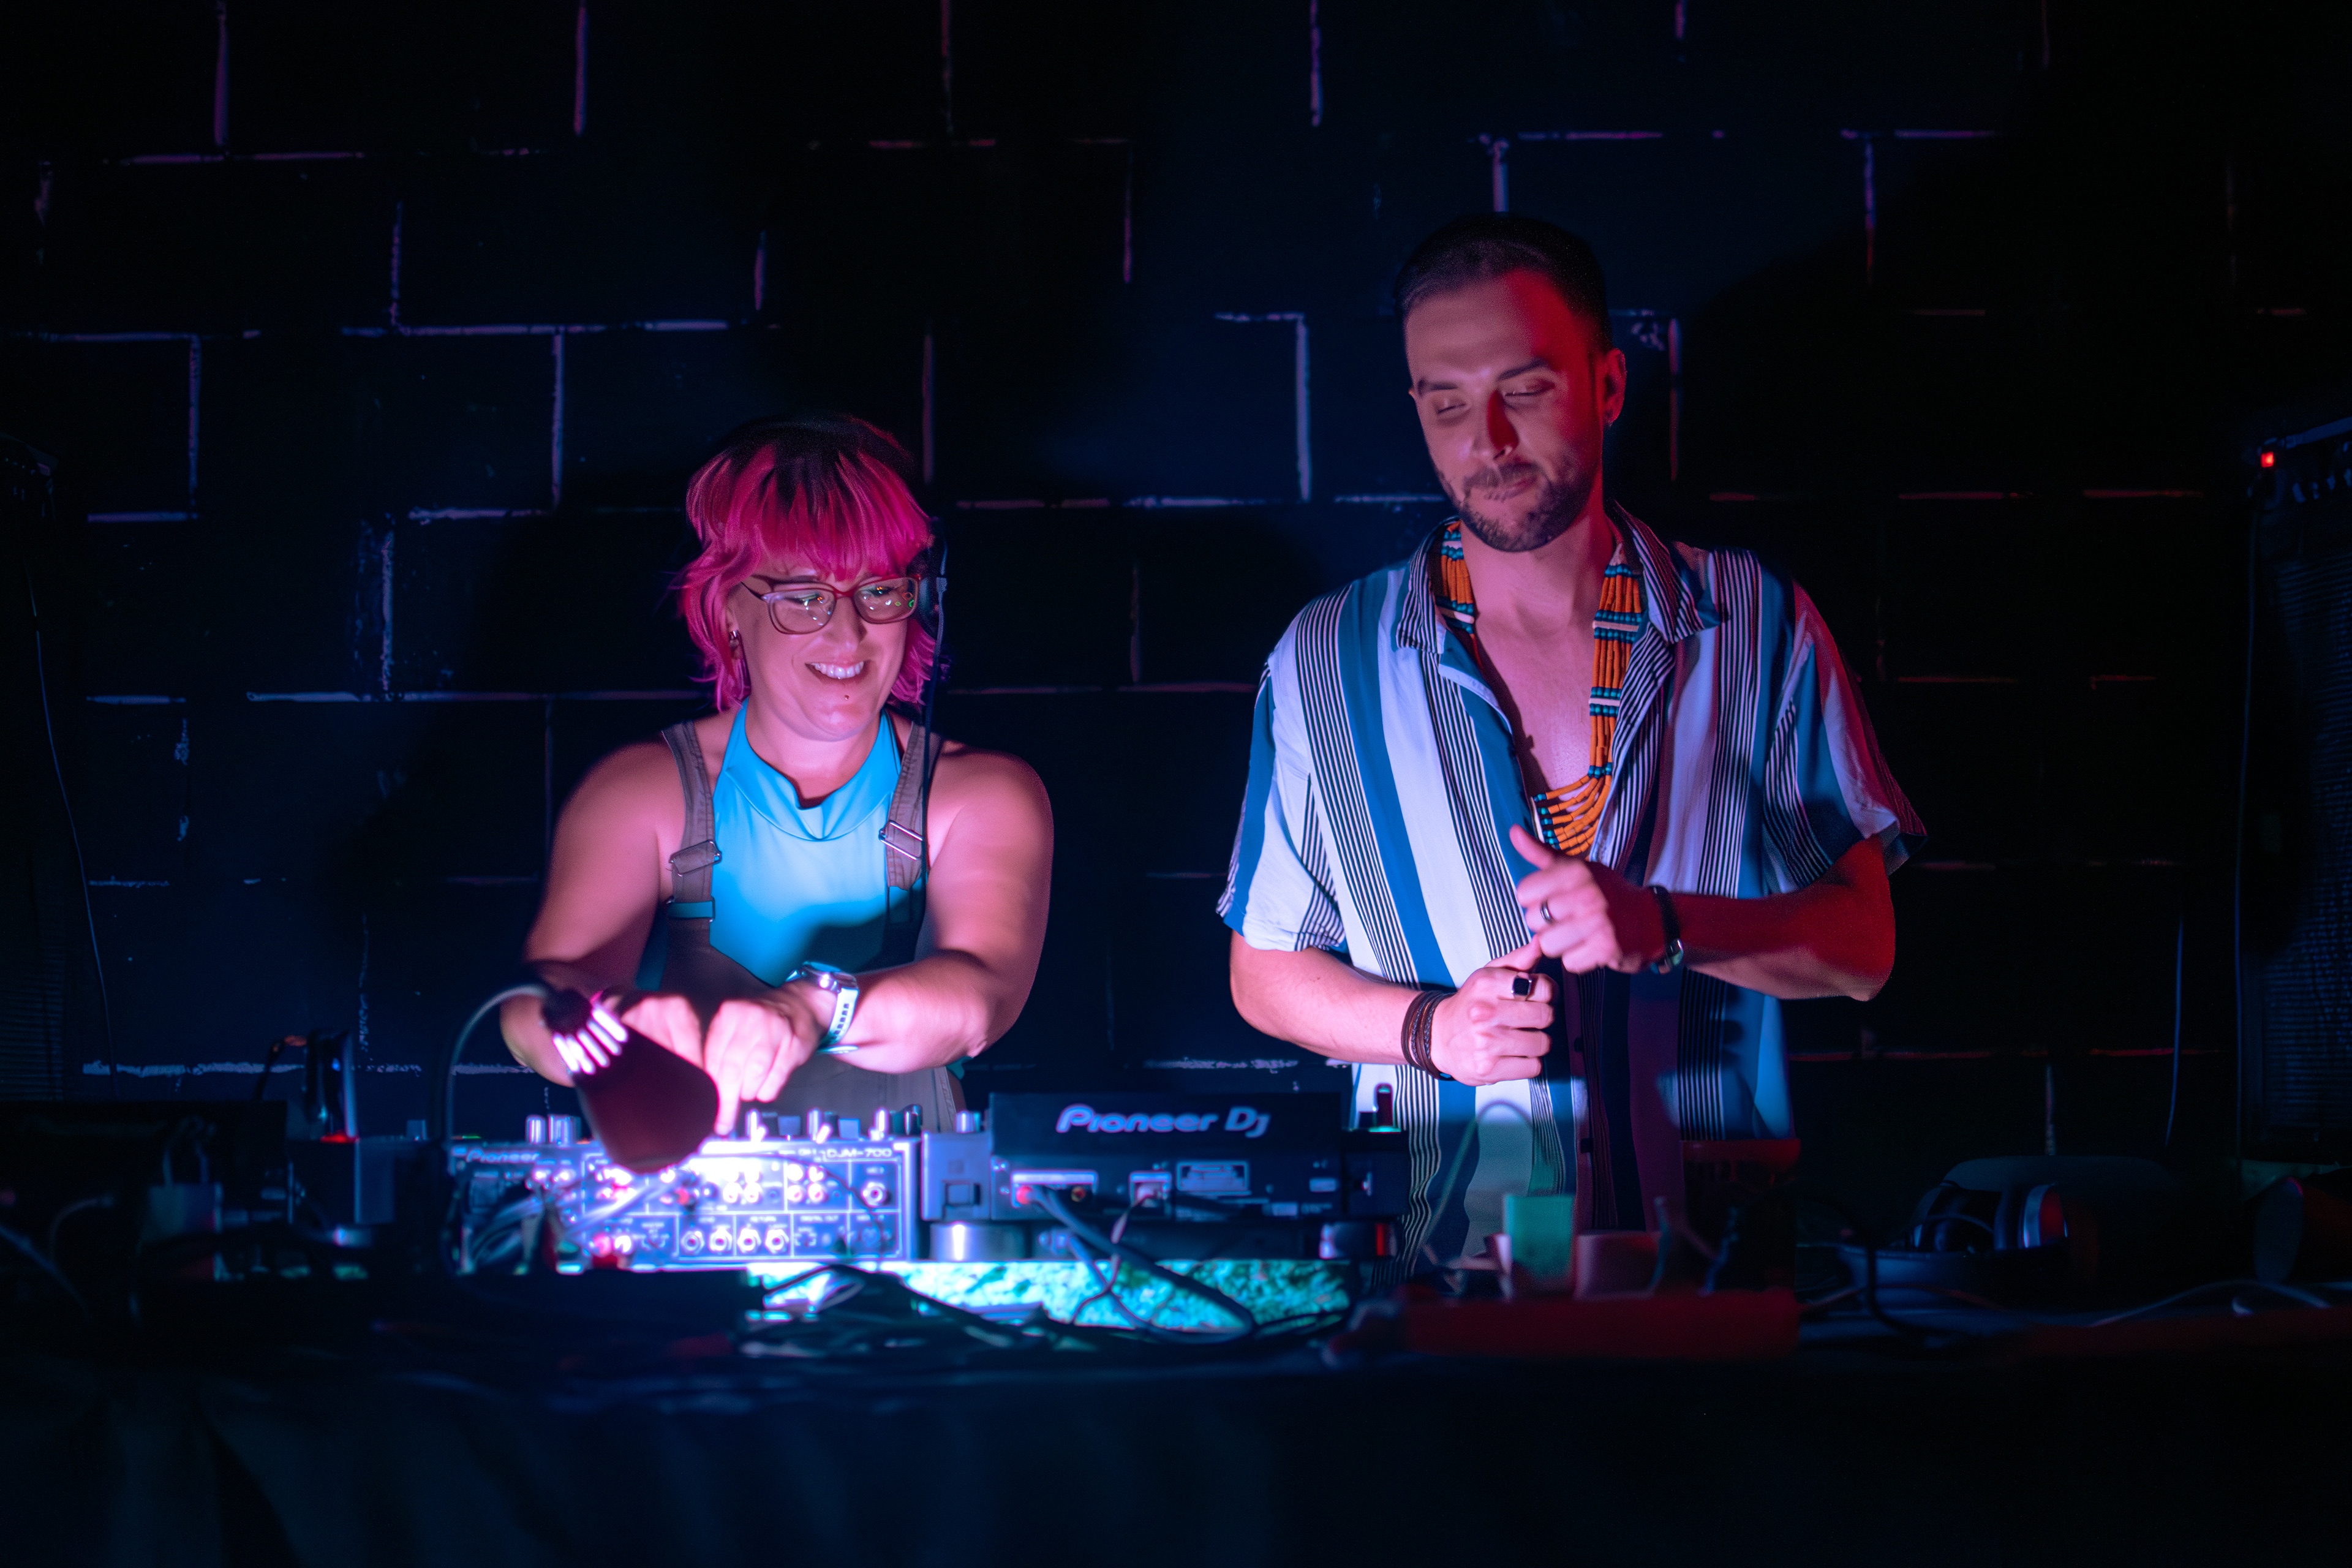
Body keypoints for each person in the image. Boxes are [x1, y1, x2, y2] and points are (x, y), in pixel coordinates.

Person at [1221, 216, 1923, 1266]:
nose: (1488, 440)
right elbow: (1263, 972)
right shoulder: (1324, 660)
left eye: (1526, 389)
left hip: (1714, 1271)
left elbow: (1864, 948)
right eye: (1447, 403)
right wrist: (1432, 1033)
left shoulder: (1758, 625)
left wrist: (1668, 924)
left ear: (1607, 384)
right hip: (1434, 1269)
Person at [503, 416, 1054, 1135]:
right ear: (730, 604)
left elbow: (980, 1000)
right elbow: (528, 1014)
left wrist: (813, 1009)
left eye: (879, 591)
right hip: (685, 1195)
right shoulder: (642, 792)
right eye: (804, 596)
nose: (848, 634)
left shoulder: (979, 794)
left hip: (905, 1202)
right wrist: (614, 1018)